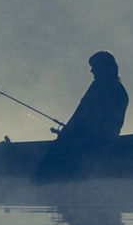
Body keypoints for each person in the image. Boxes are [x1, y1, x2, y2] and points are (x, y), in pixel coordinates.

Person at [34, 51, 127, 182]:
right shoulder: (118, 90)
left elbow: (82, 115)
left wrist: (67, 133)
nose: (91, 71)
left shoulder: (101, 88)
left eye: (94, 67)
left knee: (45, 173)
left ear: (104, 68)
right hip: (98, 141)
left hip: (89, 146)